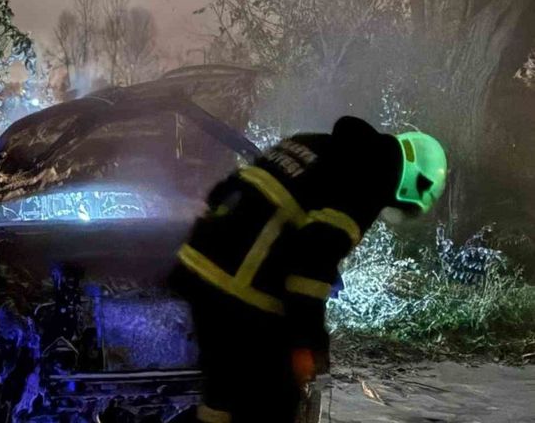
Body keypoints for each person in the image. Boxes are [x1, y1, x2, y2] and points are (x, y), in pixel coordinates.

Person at [171, 116, 447, 423]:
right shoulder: (362, 183)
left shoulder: (309, 142)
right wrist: (308, 344)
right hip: (239, 289)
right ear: (413, 185)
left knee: (223, 392)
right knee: (274, 399)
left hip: (197, 266)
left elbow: (226, 189)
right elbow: (310, 273)